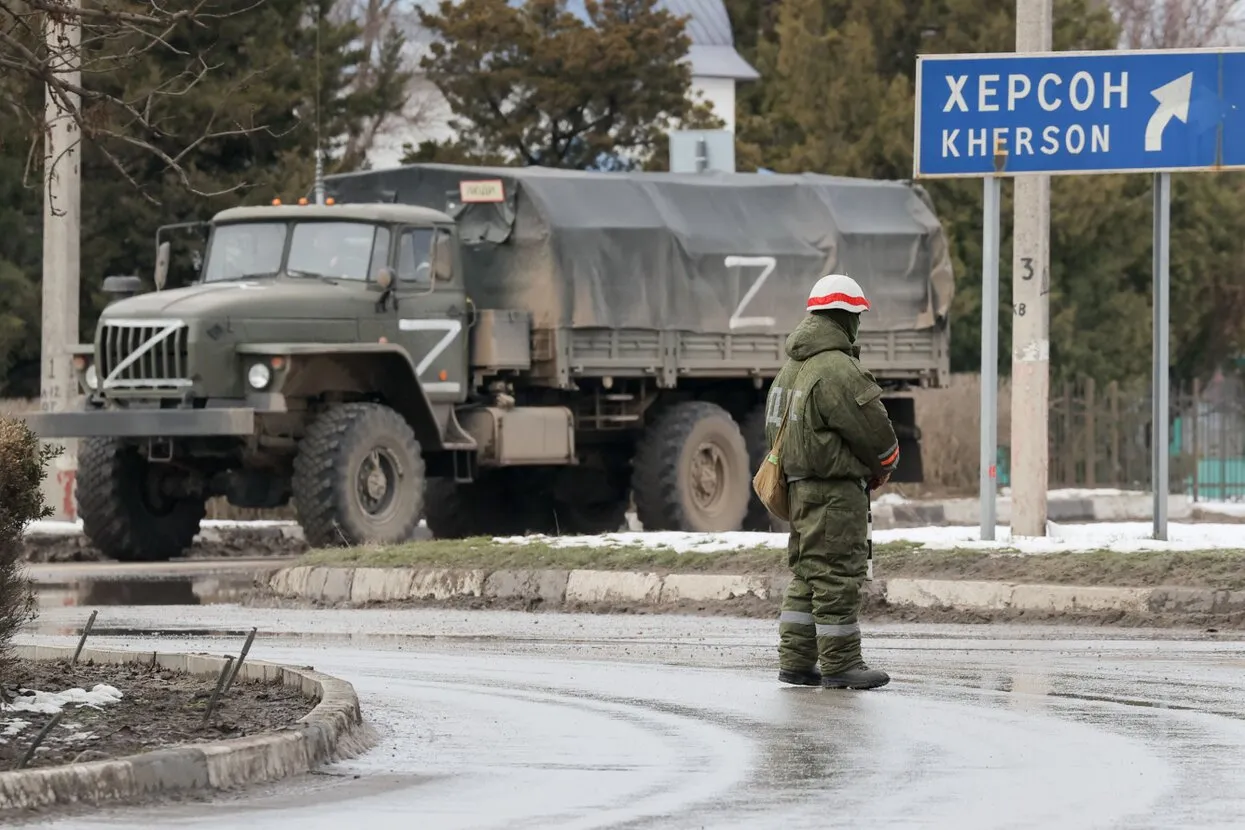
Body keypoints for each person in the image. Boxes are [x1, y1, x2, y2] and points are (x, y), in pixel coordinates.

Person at [764, 273, 900, 690]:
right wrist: (882, 465)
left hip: (800, 489)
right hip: (834, 493)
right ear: (845, 318)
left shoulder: (790, 369)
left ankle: (796, 662)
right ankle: (841, 664)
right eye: (856, 316)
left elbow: (773, 430)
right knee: (837, 573)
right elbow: (876, 434)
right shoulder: (839, 369)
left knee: (807, 573)